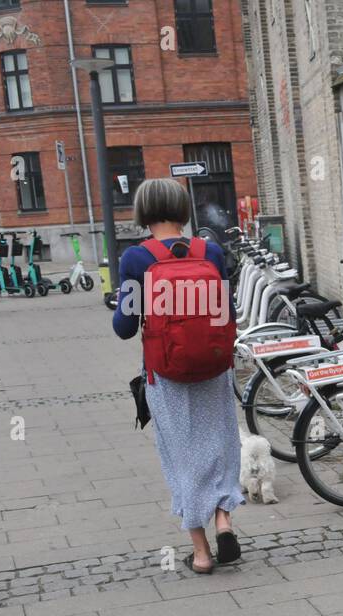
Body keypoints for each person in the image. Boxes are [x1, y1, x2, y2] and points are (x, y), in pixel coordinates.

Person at [113, 178, 244, 574]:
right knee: (221, 445)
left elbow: (125, 326)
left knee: (182, 457)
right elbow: (227, 314)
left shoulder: (136, 259)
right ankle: (224, 518)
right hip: (214, 366)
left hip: (166, 374)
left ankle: (201, 553)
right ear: (183, 209)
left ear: (143, 213)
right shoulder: (211, 251)